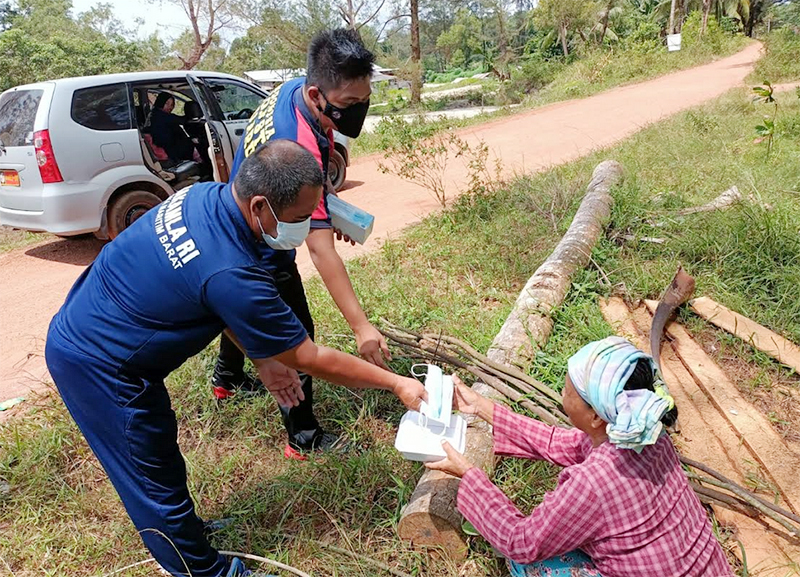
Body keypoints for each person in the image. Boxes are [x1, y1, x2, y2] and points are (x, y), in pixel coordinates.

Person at [45, 140, 426, 577]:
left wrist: (262, 358)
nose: (303, 228)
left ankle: (187, 533)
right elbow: (308, 356)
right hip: (98, 363)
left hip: (91, 324)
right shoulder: (231, 271)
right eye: (301, 217)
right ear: (261, 205)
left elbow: (205, 294)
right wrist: (396, 383)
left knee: (161, 455)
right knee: (149, 470)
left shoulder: (204, 196)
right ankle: (202, 569)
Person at [212, 28, 384, 460]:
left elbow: (318, 164)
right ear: (316, 94)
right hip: (261, 236)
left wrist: (328, 205)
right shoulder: (296, 144)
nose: (357, 114)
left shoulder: (292, 92)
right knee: (294, 335)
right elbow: (321, 250)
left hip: (255, 212)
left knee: (241, 312)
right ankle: (302, 438)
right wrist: (362, 328)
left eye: (364, 102)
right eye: (347, 106)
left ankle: (226, 378)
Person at [427, 336, 733, 577]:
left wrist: (470, 477)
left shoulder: (591, 484)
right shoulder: (644, 432)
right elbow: (561, 442)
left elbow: (522, 542)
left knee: (528, 564)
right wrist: (482, 407)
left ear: (596, 417)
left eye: (568, 389)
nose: (563, 393)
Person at [149, 92, 197, 162]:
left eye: (172, 104)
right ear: (161, 102)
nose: (170, 107)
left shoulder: (156, 114)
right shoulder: (161, 116)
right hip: (169, 149)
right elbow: (181, 120)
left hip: (168, 145)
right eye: (167, 103)